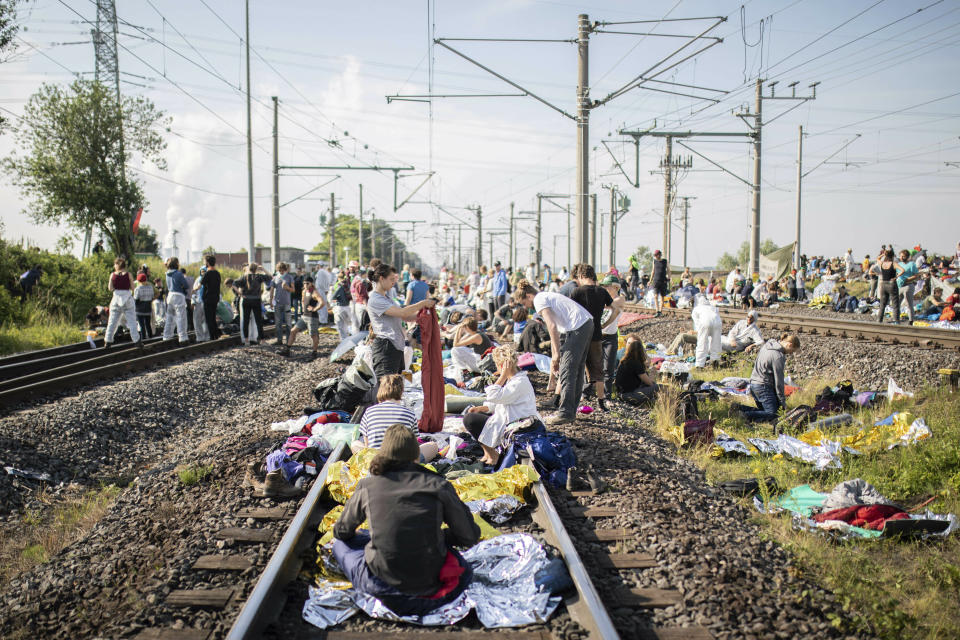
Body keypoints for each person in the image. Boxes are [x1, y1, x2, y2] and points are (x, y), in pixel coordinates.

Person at [332, 425, 479, 616]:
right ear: (416, 455)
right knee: (451, 558)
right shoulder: (438, 484)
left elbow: (341, 531)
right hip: (431, 583)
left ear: (384, 453)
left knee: (340, 544)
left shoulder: (368, 485)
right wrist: (439, 536)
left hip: (382, 587)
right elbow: (469, 535)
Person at [514, 279, 592, 425]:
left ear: (529, 296)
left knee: (567, 369)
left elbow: (551, 326)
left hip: (578, 327)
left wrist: (555, 354)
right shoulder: (546, 296)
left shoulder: (538, 300)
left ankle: (565, 413)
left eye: (525, 303)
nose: (527, 308)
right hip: (585, 323)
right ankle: (571, 410)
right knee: (576, 368)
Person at [463, 346, 541, 465]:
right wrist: (482, 408)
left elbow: (495, 395)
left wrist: (502, 375)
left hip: (517, 425)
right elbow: (502, 401)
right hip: (512, 419)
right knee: (476, 414)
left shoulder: (519, 382)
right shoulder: (515, 380)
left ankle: (494, 456)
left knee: (469, 420)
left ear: (501, 365)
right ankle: (487, 453)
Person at [367, 263, 437, 380]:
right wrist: (423, 303)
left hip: (395, 345)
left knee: (397, 385)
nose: (393, 282)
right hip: (385, 346)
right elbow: (402, 313)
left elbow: (404, 317)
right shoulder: (375, 299)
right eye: (391, 279)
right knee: (387, 386)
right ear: (381, 278)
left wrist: (421, 317)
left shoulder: (387, 298)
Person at [354, 374, 438, 461]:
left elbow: (368, 446)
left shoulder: (369, 412)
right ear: (401, 391)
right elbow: (414, 446)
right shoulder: (409, 414)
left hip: (375, 461)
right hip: (402, 462)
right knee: (433, 446)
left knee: (355, 444)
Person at [571, 265, 615, 411]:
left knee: (578, 367)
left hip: (580, 334)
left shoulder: (577, 292)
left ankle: (576, 399)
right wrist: (605, 323)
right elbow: (614, 308)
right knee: (598, 370)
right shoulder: (602, 291)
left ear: (582, 276)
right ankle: (601, 402)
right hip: (596, 334)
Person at [738, 334, 800, 423]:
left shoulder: (767, 346)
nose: (790, 354)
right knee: (774, 414)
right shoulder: (778, 356)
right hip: (763, 387)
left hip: (753, 384)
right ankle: (745, 415)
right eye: (792, 351)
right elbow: (779, 382)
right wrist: (782, 402)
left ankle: (739, 408)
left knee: (765, 412)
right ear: (789, 344)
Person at [282, 276, 325, 359]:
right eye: (304, 283)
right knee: (293, 331)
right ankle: (287, 350)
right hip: (304, 316)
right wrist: (303, 307)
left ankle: (314, 352)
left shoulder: (314, 292)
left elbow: (322, 302)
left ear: (311, 284)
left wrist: (314, 309)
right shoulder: (304, 291)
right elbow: (302, 300)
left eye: (307, 283)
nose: (305, 285)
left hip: (312, 317)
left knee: (313, 335)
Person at [103, 258, 141, 347]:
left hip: (116, 299)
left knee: (112, 321)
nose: (114, 266)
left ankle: (108, 340)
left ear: (117, 265)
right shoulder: (129, 275)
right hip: (127, 299)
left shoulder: (112, 275)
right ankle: (137, 341)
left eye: (114, 264)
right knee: (131, 321)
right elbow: (132, 287)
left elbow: (110, 288)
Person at [599, 275, 625, 397]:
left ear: (615, 287)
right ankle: (587, 391)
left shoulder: (620, 299)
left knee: (608, 367)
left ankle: (607, 394)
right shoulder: (604, 299)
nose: (605, 289)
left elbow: (613, 304)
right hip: (598, 335)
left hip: (610, 337)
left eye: (607, 287)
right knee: (592, 365)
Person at [233, 263, 270, 345]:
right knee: (258, 321)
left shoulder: (244, 276)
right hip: (256, 300)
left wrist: (240, 294)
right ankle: (262, 340)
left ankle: (246, 340)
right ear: (256, 269)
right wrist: (263, 269)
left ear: (248, 269)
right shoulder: (259, 276)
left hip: (246, 300)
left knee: (245, 321)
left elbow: (233, 284)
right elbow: (270, 276)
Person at [615, 339, 659, 405]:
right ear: (641, 351)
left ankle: (653, 403)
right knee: (659, 387)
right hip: (629, 395)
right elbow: (649, 383)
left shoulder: (624, 361)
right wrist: (652, 373)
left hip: (620, 394)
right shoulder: (636, 363)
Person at [871, 249, 905, 324]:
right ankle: (896, 321)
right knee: (895, 303)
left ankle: (879, 320)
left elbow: (877, 259)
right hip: (891, 283)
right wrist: (896, 277)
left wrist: (883, 254)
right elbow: (903, 270)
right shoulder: (893, 263)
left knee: (882, 304)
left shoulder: (882, 263)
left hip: (883, 284)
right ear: (892, 256)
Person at [163, 257, 190, 343]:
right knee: (181, 317)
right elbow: (186, 285)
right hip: (178, 295)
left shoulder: (167, 274)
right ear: (177, 264)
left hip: (170, 296)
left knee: (170, 317)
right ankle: (182, 337)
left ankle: (167, 335)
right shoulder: (178, 274)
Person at [690, 295, 722, 367]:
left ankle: (699, 365)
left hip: (705, 323)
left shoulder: (696, 309)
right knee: (716, 343)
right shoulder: (713, 307)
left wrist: (697, 332)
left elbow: (697, 325)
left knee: (702, 343)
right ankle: (715, 362)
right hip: (717, 323)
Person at [271, 262, 296, 346]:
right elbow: (271, 290)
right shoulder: (275, 278)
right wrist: (271, 301)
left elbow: (293, 290)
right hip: (277, 303)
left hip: (287, 303)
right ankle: (279, 340)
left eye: (282, 270)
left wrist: (287, 288)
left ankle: (288, 341)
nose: (281, 272)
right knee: (278, 323)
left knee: (288, 323)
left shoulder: (289, 277)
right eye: (279, 270)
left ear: (285, 270)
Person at [198, 255, 222, 339]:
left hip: (208, 298)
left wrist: (193, 289)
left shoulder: (207, 273)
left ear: (207, 263)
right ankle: (216, 334)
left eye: (204, 261)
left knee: (209, 318)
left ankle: (212, 336)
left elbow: (199, 285)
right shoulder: (217, 273)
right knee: (213, 317)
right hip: (215, 297)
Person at [896, 249, 919, 325]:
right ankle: (896, 319)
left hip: (908, 285)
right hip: (899, 286)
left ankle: (911, 320)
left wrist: (906, 279)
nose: (902, 257)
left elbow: (916, 275)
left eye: (904, 256)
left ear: (907, 256)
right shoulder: (898, 264)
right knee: (897, 303)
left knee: (909, 304)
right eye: (901, 256)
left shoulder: (912, 264)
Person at [331, 272, 354, 341]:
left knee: (340, 325)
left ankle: (343, 340)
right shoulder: (348, 284)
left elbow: (333, 297)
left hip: (340, 307)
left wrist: (335, 302)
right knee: (347, 325)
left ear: (338, 278)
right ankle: (348, 339)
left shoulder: (339, 285)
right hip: (348, 306)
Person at [133, 273, 155, 339]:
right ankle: (150, 336)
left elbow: (136, 299)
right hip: (148, 308)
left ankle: (143, 338)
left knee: (142, 325)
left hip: (139, 309)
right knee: (148, 324)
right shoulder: (150, 287)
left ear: (139, 281)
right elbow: (152, 297)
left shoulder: (138, 289)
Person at [650, 250, 668, 315]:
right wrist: (650, 280)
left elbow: (668, 270)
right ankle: (657, 310)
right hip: (656, 280)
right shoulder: (654, 261)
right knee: (655, 296)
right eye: (655, 255)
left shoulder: (665, 261)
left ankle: (660, 311)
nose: (655, 256)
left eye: (656, 255)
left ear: (659, 255)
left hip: (663, 281)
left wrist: (670, 278)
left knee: (662, 297)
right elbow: (653, 271)